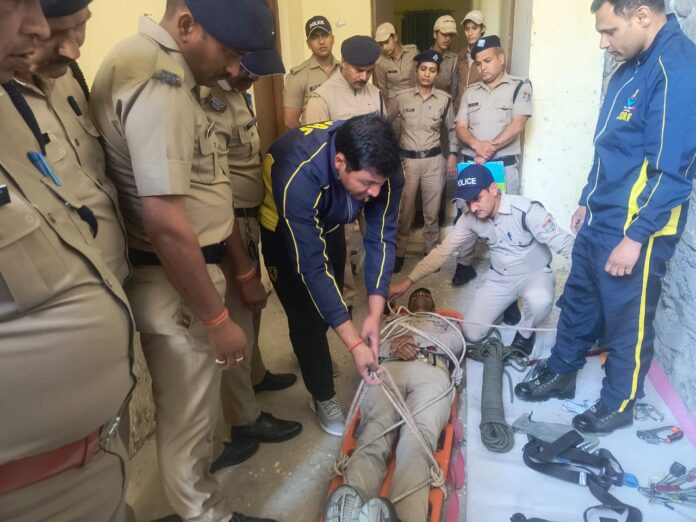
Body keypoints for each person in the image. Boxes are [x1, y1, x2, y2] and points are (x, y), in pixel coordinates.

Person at [90, 1, 279, 520]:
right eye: (229, 53)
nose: (233, 68)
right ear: (187, 24)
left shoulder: (168, 70)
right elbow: (166, 224)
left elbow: (203, 192)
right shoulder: (161, 83)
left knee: (194, 416)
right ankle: (205, 515)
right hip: (176, 281)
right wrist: (217, 319)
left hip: (187, 271)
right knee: (189, 421)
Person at [515, 0, 696, 435]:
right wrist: (586, 199)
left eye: (609, 31)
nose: (603, 43)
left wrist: (635, 237)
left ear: (642, 16)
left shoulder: (677, 68)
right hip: (600, 215)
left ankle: (619, 402)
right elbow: (608, 147)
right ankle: (562, 370)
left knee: (626, 320)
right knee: (578, 299)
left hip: (635, 226)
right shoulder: (628, 67)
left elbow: (673, 171)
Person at [0, 1, 135, 521]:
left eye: (82, 28)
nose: (74, 49)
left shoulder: (70, 81)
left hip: (110, 289)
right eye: (59, 33)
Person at [259, 115, 404, 436]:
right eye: (367, 183)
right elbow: (311, 268)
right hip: (285, 229)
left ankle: (310, 352)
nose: (375, 192)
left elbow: (381, 237)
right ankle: (321, 393)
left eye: (380, 183)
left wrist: (375, 313)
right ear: (340, 162)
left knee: (334, 297)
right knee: (307, 315)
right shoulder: (298, 173)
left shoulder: (385, 168)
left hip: (331, 222)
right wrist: (354, 344)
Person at [203, 50, 302, 469]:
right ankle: (244, 419)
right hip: (229, 225)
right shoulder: (210, 100)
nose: (254, 80)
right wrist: (241, 265)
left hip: (247, 220)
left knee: (254, 312)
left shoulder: (236, 96)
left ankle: (256, 376)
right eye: (250, 72)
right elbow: (215, 186)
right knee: (239, 322)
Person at [391, 164, 574, 355]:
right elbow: (442, 252)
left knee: (541, 302)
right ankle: (505, 305)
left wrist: (576, 288)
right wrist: (405, 284)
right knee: (472, 333)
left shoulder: (526, 210)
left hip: (534, 273)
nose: (473, 207)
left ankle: (526, 332)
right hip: (501, 277)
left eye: (477, 198)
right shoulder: (469, 218)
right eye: (468, 201)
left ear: (493, 189)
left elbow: (567, 245)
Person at [324, 288, 462, 522]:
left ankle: (405, 517)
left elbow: (457, 343)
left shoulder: (444, 323)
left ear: (433, 304)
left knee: (417, 440)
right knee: (373, 431)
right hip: (387, 369)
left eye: (426, 293)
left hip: (431, 371)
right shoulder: (389, 321)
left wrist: (416, 341)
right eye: (415, 294)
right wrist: (393, 346)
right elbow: (368, 345)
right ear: (407, 303)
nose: (420, 294)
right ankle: (352, 506)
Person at [305, 35, 384, 316]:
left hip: (372, 185)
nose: (364, 77)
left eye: (369, 71)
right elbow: (314, 151)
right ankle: (346, 299)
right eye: (359, 70)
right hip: (340, 187)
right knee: (342, 244)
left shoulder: (375, 94)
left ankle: (379, 291)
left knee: (377, 237)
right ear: (344, 63)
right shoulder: (322, 98)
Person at [451, 34, 533, 294]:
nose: (482, 67)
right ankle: (464, 264)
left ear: (501, 58)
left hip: (501, 166)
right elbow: (460, 127)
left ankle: (508, 273)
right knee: (466, 214)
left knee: (506, 218)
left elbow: (518, 124)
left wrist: (489, 148)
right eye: (478, 63)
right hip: (472, 164)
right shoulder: (470, 92)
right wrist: (478, 145)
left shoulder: (519, 86)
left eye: (487, 60)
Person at [387, 50, 457, 273]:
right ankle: (399, 253)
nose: (427, 74)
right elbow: (384, 124)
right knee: (404, 212)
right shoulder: (401, 97)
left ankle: (430, 253)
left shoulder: (444, 100)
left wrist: (453, 154)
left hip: (434, 161)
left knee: (431, 212)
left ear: (437, 74)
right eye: (423, 69)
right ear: (416, 71)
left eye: (432, 70)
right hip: (407, 162)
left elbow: (453, 129)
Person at [283, 15, 339, 129]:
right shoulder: (298, 76)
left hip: (343, 137)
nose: (321, 41)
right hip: (315, 138)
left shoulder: (344, 70)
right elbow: (290, 121)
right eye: (315, 37)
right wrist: (310, 137)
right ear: (308, 43)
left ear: (333, 39)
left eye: (325, 35)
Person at [372, 22, 418, 103]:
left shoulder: (413, 52)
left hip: (414, 99)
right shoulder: (379, 63)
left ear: (395, 37)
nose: (384, 47)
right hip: (394, 103)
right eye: (381, 44)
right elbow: (383, 90)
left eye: (386, 42)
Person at [455, 10, 485, 112]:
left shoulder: (490, 55)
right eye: (467, 29)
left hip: (480, 111)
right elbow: (456, 85)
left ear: (482, 29)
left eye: (474, 28)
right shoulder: (460, 55)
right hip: (460, 110)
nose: (470, 33)